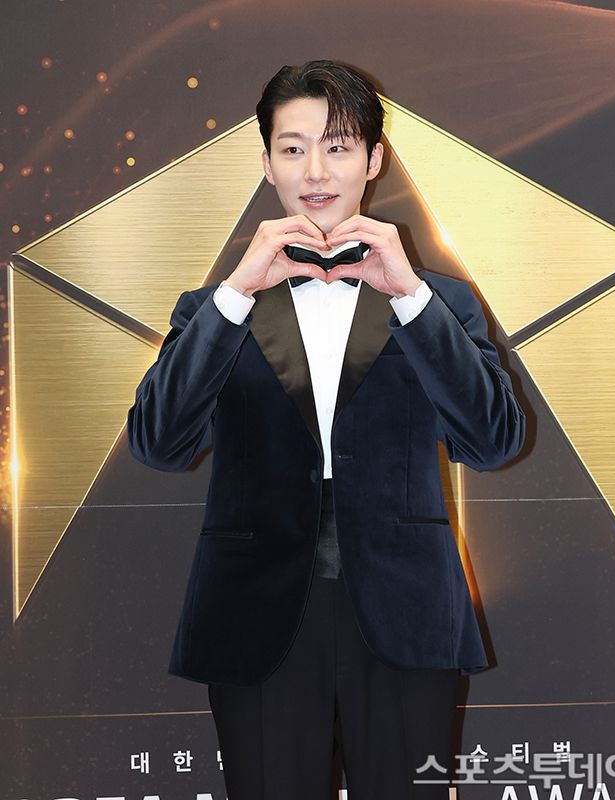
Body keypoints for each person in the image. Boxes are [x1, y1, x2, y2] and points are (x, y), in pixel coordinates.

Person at [127, 59, 526, 799]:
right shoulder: (215, 308)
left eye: (338, 146)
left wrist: (410, 296)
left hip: (406, 612)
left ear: (373, 159)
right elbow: (158, 442)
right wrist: (236, 294)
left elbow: (494, 439)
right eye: (293, 148)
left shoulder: (439, 303)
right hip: (255, 614)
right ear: (267, 162)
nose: (315, 171)